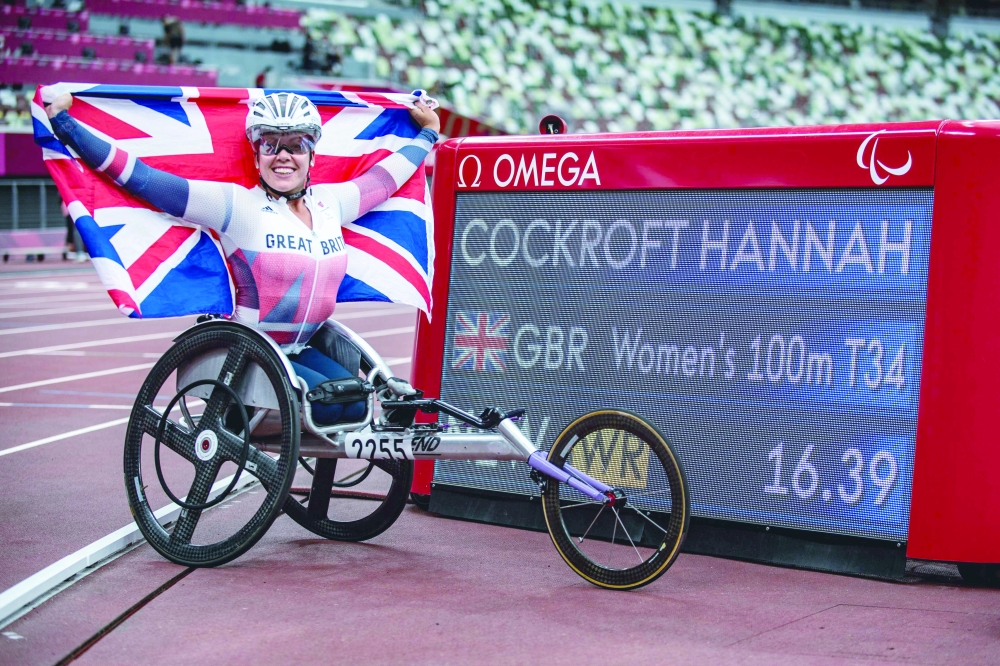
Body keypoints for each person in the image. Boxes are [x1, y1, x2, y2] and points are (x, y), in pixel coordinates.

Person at [46, 91, 440, 424]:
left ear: (311, 154)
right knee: (345, 405)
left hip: (304, 347)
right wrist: (65, 124)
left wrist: (428, 134)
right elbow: (145, 180)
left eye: (296, 145)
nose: (283, 155)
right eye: (270, 144)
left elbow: (387, 178)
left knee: (358, 402)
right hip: (251, 356)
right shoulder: (236, 206)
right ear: (256, 153)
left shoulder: (330, 204)